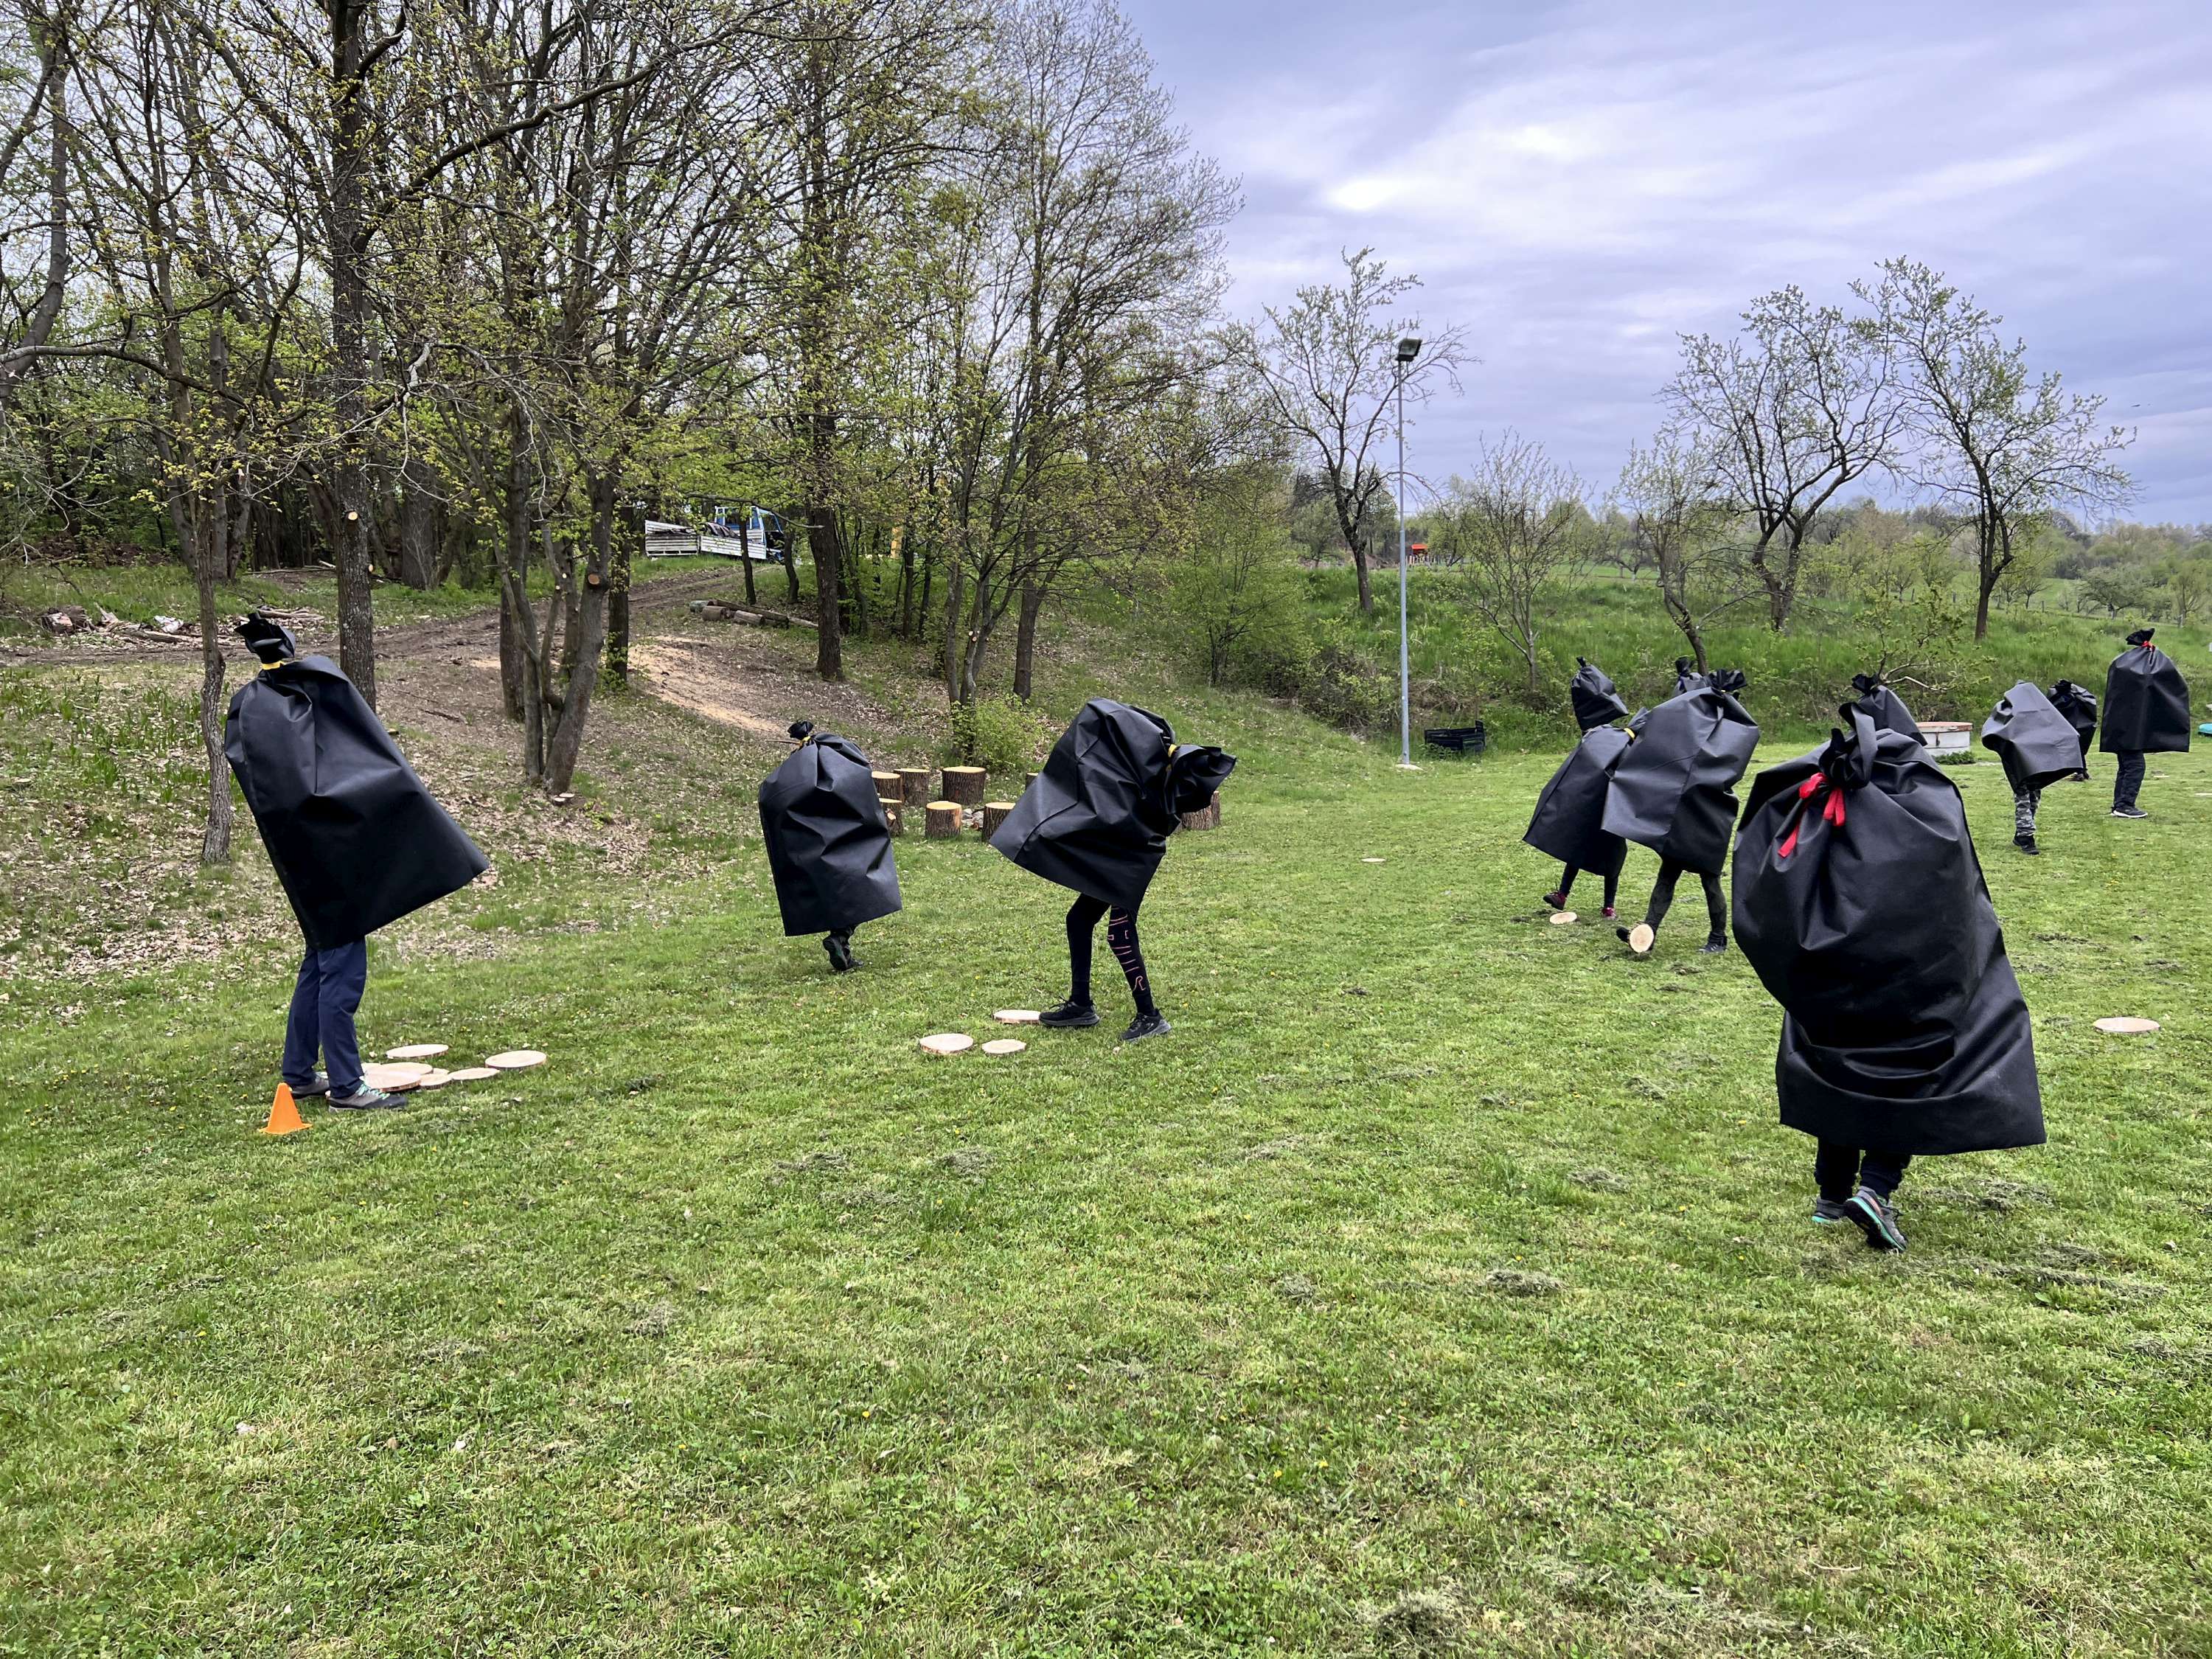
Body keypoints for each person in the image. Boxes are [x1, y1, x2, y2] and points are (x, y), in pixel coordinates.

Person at [1734, 706, 2044, 1253]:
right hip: (1911, 980)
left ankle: (1831, 1195)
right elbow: (1957, 898)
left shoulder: (1812, 807)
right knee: (1912, 1069)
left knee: (1834, 1063)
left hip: (1830, 979)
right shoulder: (1924, 807)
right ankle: (1875, 1189)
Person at [226, 614, 488, 1111]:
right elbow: (362, 756)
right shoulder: (314, 689)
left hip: (300, 855)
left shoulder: (251, 708)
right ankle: (347, 1086)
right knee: (341, 969)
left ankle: (299, 1074)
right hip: (331, 856)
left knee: (319, 960)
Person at [990, 699, 1234, 1042]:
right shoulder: (1144, 769)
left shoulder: (1151, 782)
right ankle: (1080, 1005)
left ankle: (1150, 1016)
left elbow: (1109, 726)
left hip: (1133, 860)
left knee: (1120, 933)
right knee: (1079, 919)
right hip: (1122, 855)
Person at [1601, 666, 1759, 956]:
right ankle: (1648, 931)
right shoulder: (1692, 732)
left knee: (1710, 880)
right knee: (1667, 875)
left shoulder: (1729, 735)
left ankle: (1718, 937)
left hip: (1709, 816)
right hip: (1683, 814)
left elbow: (1721, 770)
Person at [758, 720, 902, 973]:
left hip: (819, 851)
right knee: (862, 888)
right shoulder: (838, 769)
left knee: (840, 892)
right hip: (851, 845)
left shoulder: (797, 779)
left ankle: (841, 941)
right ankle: (840, 937)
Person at [1528, 658, 1631, 918]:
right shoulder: (1593, 736)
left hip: (1612, 803)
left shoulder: (1621, 737)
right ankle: (1562, 894)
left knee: (1613, 852)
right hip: (1589, 800)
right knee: (1578, 842)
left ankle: (1609, 905)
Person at [1980, 681, 2087, 857]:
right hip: (2022, 763)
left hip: (2034, 763)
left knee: (2033, 798)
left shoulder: (2032, 710)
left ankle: (2021, 834)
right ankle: (2026, 837)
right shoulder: (2034, 709)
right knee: (2024, 798)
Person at [2101, 627, 2192, 819]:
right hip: (2128, 730)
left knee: (2127, 766)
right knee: (2135, 766)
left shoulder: (2124, 673)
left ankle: (2120, 805)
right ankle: (2125, 805)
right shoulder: (2135, 678)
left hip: (2121, 729)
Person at [2048, 679, 2098, 784]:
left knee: (2074, 751)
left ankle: (2081, 773)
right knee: (2078, 750)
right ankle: (2082, 772)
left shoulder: (2059, 698)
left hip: (2068, 728)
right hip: (2078, 728)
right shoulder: (2077, 697)